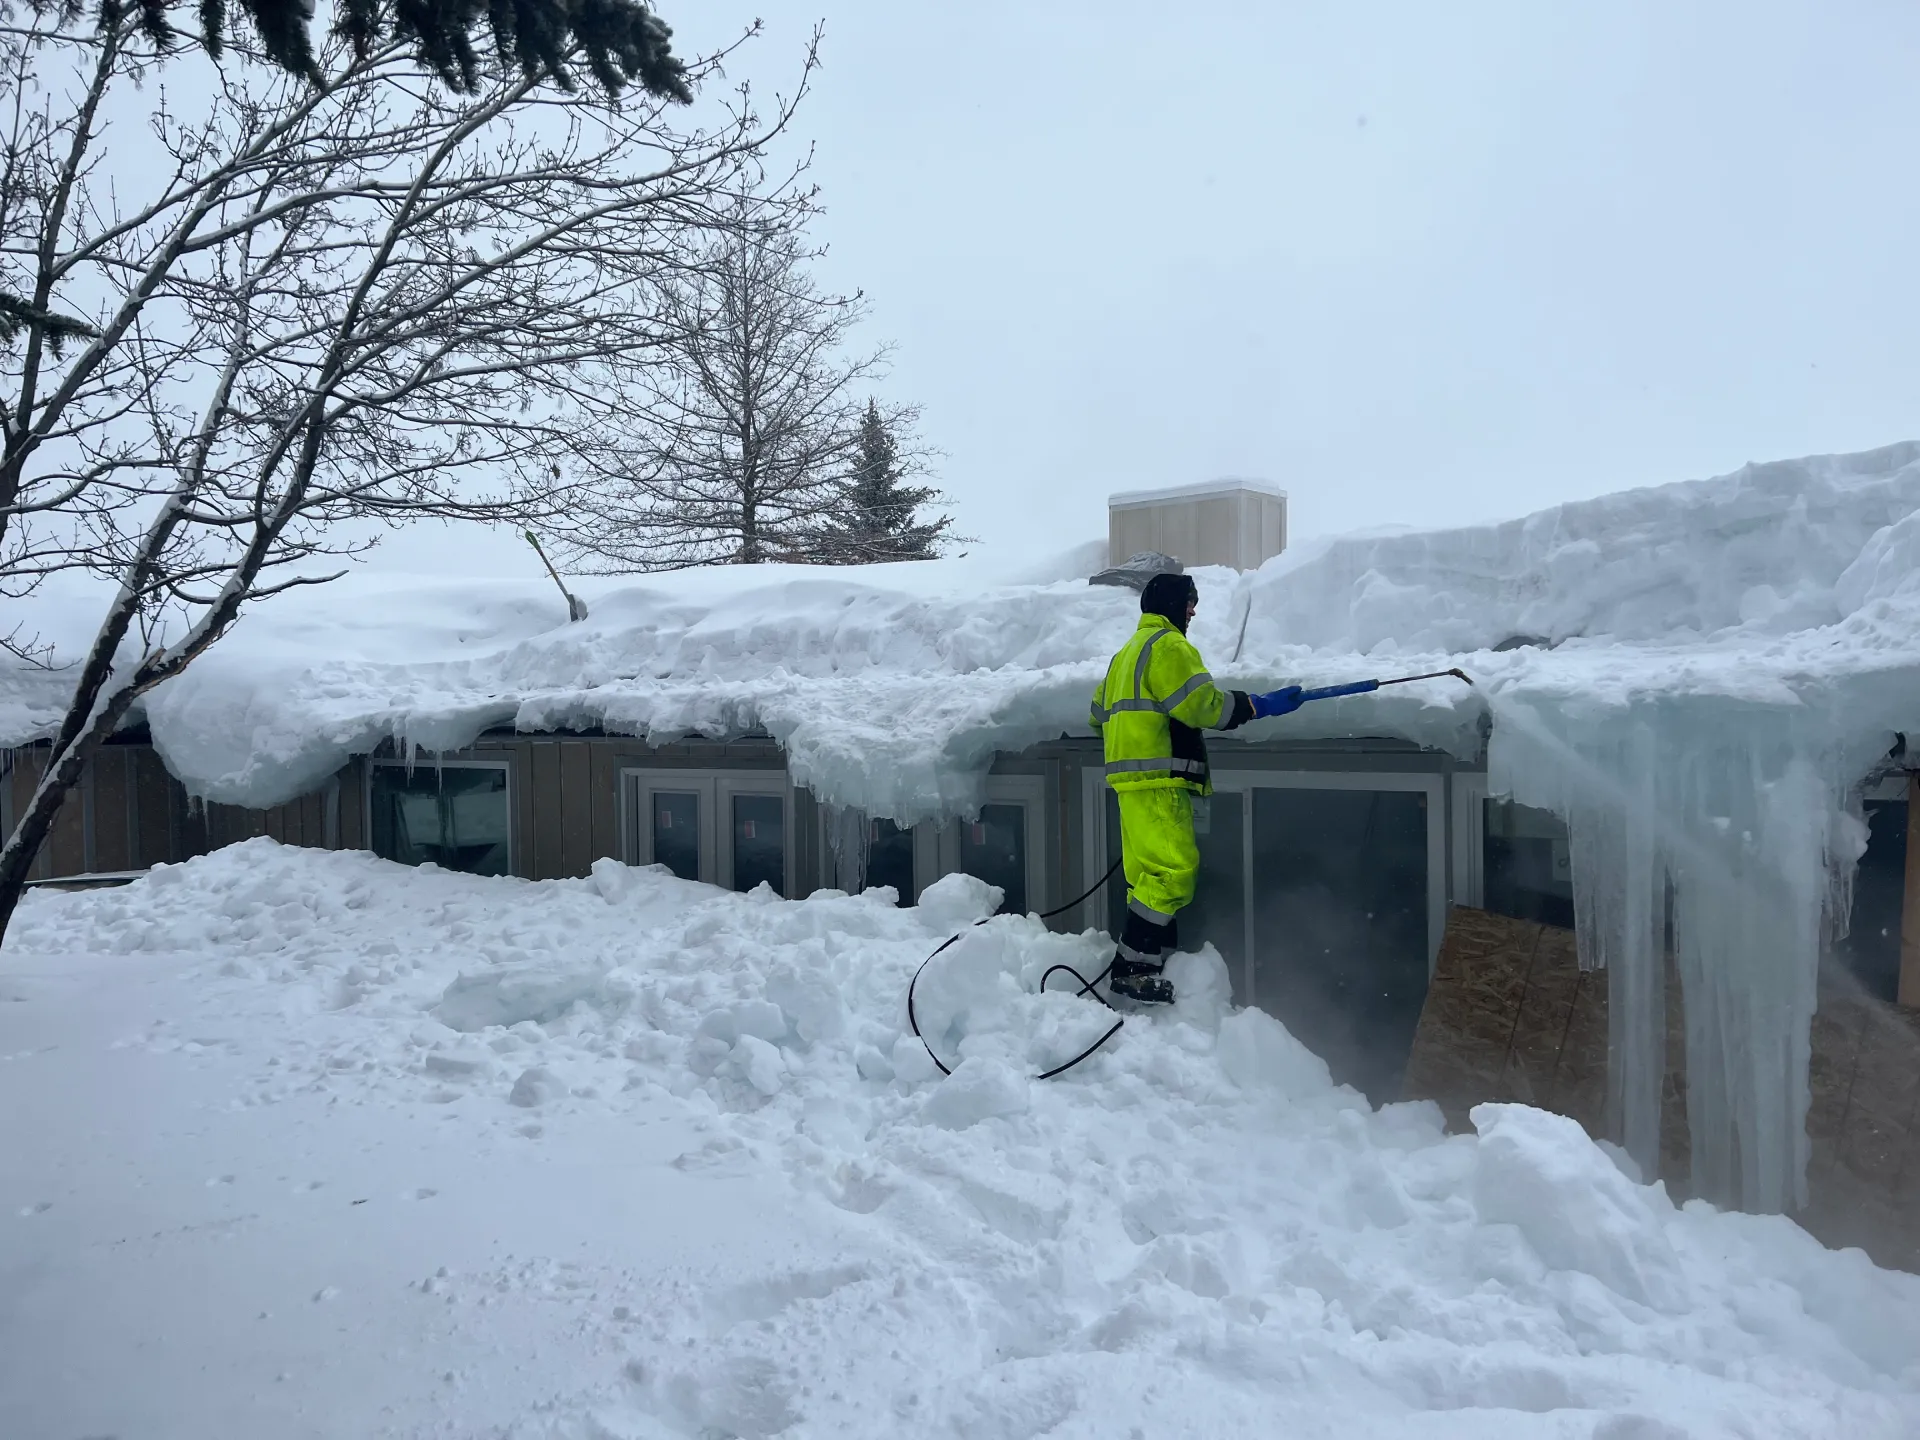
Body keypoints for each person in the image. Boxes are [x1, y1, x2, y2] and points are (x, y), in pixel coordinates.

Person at [1088, 571, 1254, 1004]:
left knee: (1146, 877)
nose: (1193, 611)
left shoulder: (1124, 655)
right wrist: (1247, 705)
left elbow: (1096, 712)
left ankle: (1155, 957)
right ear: (1172, 604)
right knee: (1174, 876)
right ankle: (1133, 969)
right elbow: (1203, 705)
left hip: (1129, 783)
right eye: (1189, 603)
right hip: (1159, 780)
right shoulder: (1169, 646)